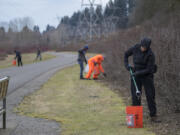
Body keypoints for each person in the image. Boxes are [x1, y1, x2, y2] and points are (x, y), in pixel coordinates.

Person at [124, 38, 160, 122]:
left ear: (148, 47)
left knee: (150, 95)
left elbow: (149, 69)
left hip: (147, 76)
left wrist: (137, 73)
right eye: (142, 46)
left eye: (145, 47)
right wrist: (127, 66)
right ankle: (136, 117)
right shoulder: (135, 47)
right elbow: (126, 54)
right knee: (135, 96)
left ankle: (153, 116)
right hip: (135, 75)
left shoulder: (151, 55)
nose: (143, 48)